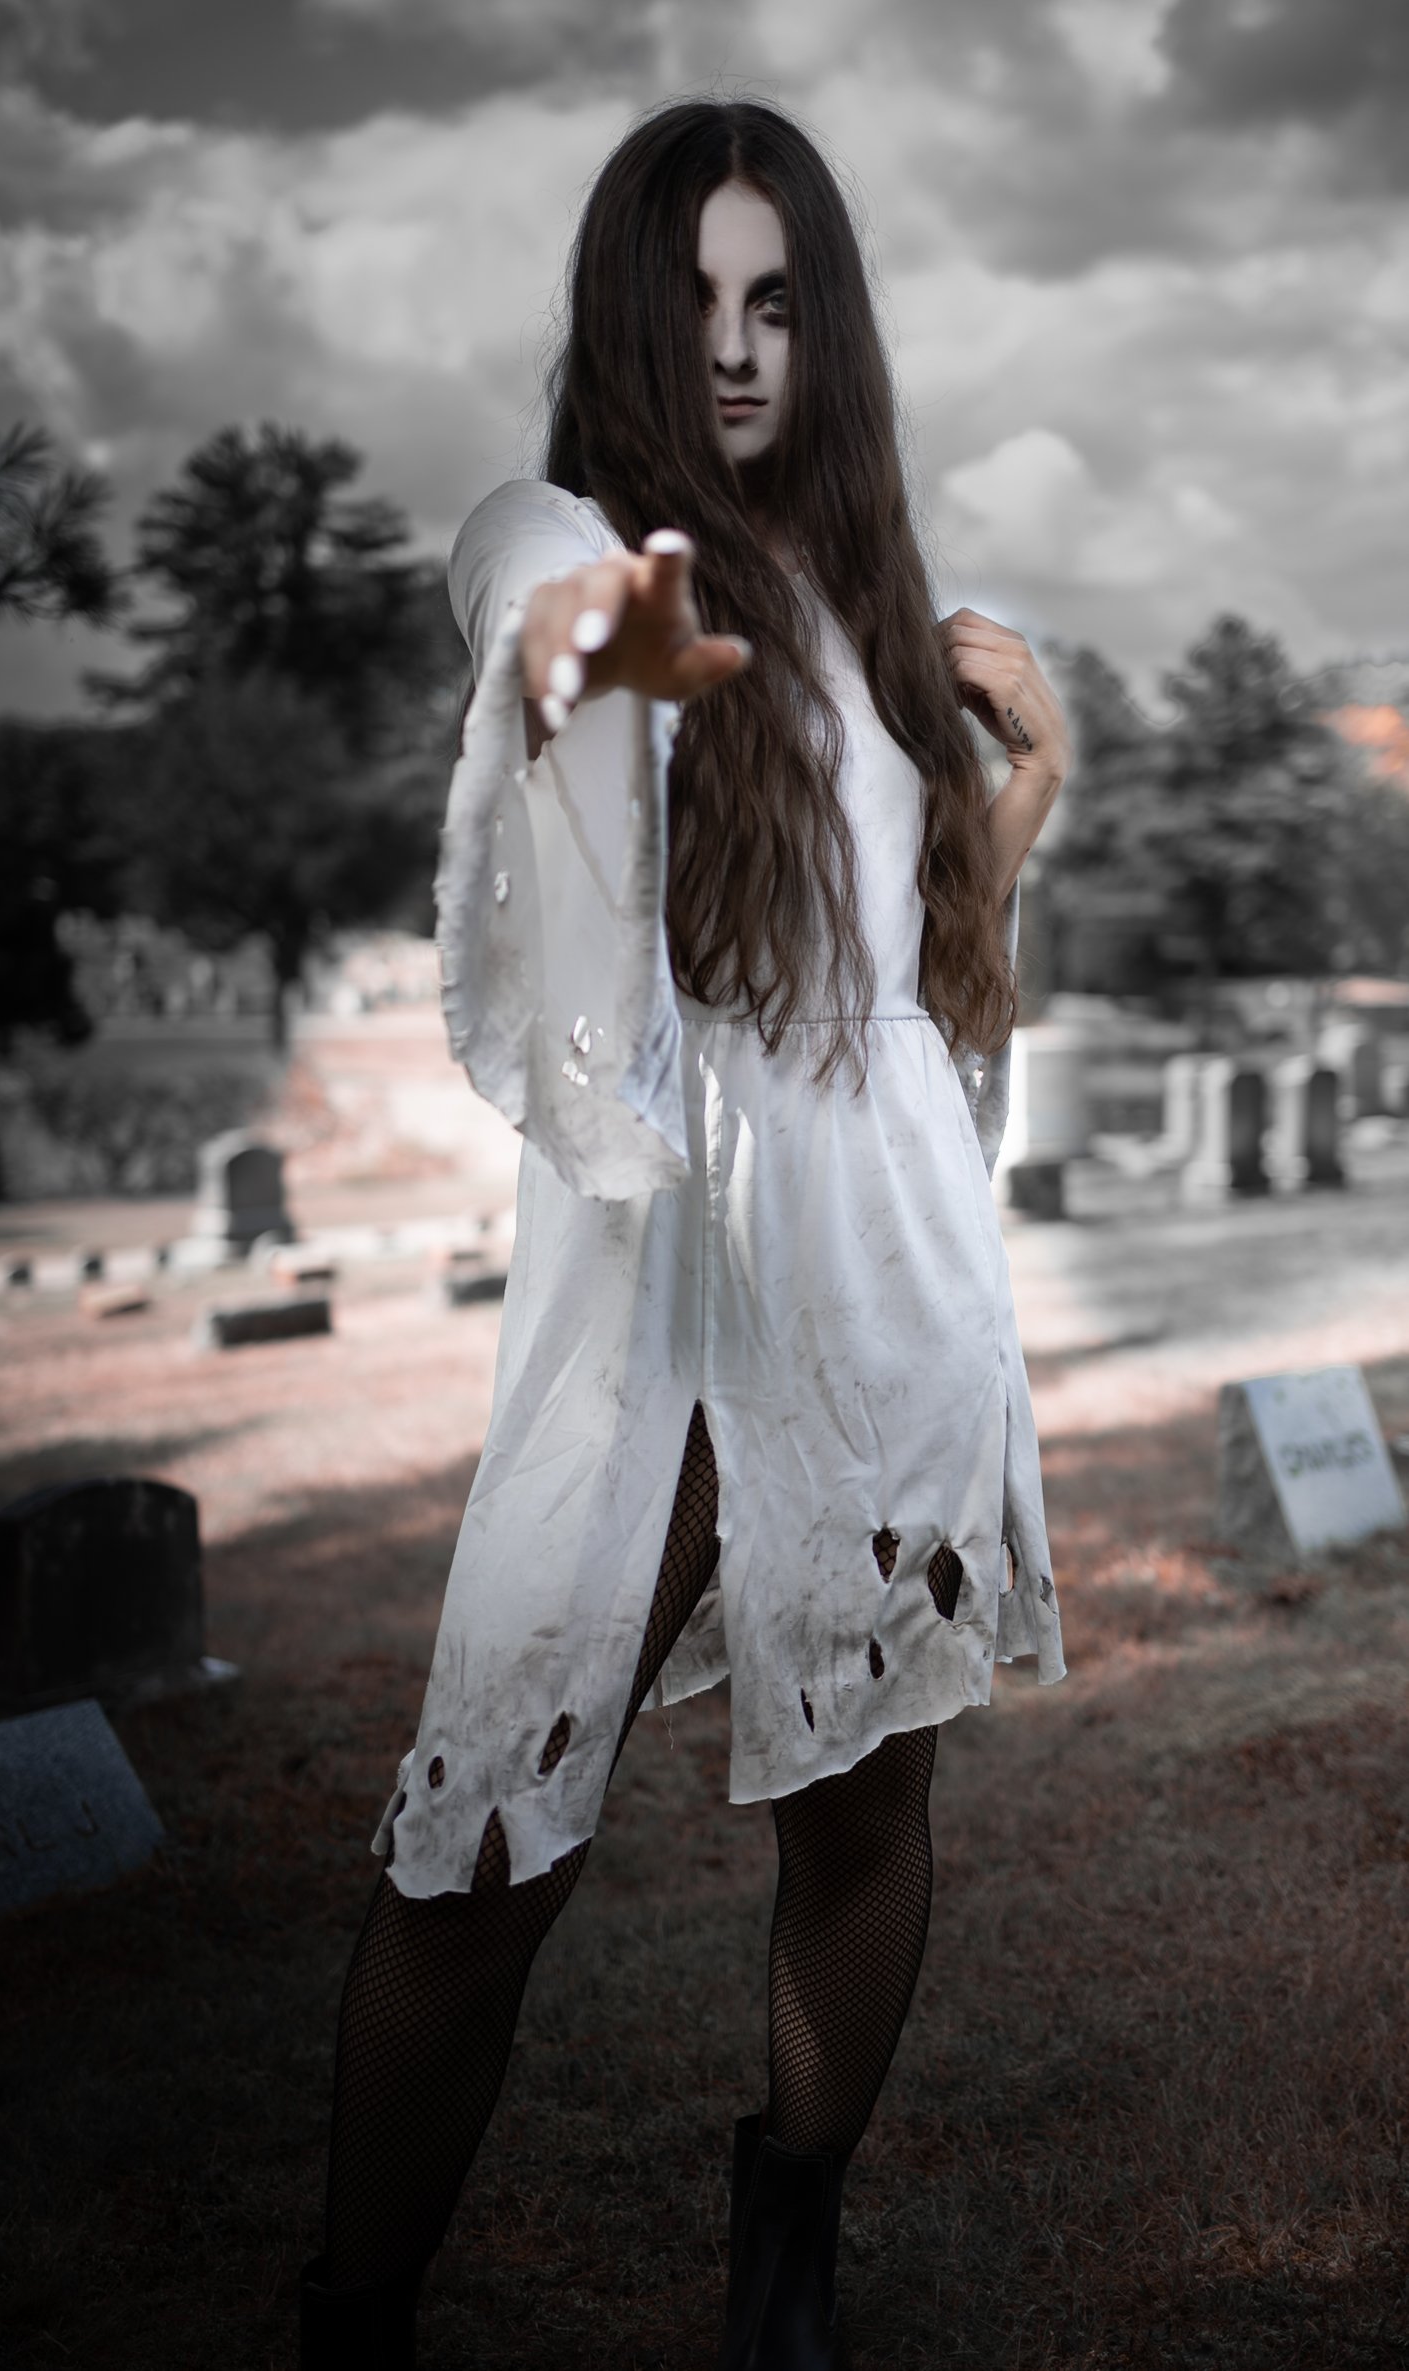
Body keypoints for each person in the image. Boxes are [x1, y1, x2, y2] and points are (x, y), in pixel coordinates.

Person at [300, 96, 1070, 2370]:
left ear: (821, 325)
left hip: (881, 1251)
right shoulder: (569, 524)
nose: (732, 350)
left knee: (862, 1797)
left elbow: (920, 1013)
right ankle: (352, 2311)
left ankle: (787, 2245)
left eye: (775, 302)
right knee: (488, 1842)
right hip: (658, 1275)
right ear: (631, 315)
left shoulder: (874, 607)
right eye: (693, 301)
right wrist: (593, 632)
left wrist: (1011, 806)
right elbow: (520, 594)